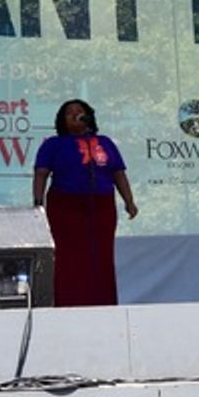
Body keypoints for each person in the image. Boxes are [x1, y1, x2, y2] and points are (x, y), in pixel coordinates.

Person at [33, 99, 138, 307]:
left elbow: (118, 173)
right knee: (67, 256)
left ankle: (102, 302)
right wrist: (38, 203)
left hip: (101, 206)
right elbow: (41, 174)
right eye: (69, 112)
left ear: (88, 116)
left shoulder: (105, 142)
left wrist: (129, 200)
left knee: (101, 255)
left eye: (79, 111)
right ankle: (67, 302)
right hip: (65, 206)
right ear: (62, 120)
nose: (75, 114)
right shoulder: (53, 144)